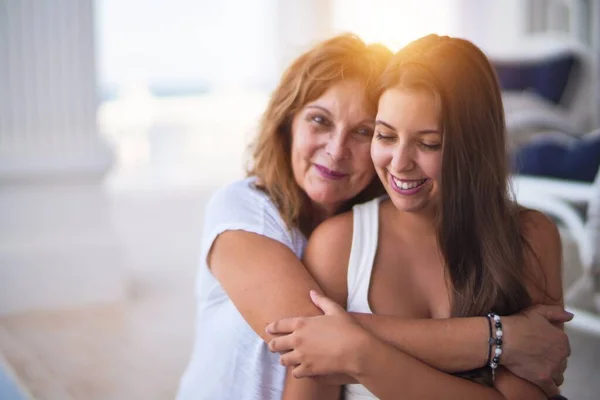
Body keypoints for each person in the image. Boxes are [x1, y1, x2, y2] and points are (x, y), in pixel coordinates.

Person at [176, 34, 572, 400]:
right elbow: (306, 338)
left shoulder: (527, 236)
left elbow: (329, 339)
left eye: (365, 132)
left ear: (472, 146)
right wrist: (499, 338)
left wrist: (357, 349)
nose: (336, 150)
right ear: (286, 123)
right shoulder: (253, 212)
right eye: (320, 120)